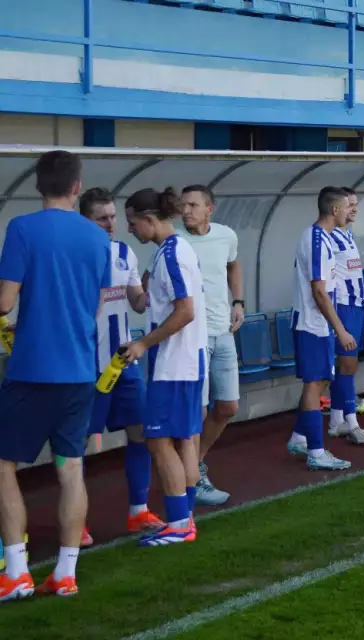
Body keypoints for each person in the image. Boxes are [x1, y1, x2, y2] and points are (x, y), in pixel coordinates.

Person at [0, 150, 110, 601]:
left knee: (4, 465)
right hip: (80, 370)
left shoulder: (23, 229)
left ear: (37, 184)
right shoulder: (97, 237)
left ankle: (17, 570)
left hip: (31, 371)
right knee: (70, 469)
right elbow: (97, 302)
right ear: (77, 186)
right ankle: (65, 572)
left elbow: (4, 302)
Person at [122, 188, 207, 547]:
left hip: (175, 363)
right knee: (182, 439)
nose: (130, 230)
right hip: (186, 360)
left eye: (132, 223)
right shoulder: (170, 252)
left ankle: (178, 522)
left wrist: (143, 343)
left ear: (150, 219)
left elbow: (184, 311)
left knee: (157, 440)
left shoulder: (172, 253)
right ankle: (184, 518)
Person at [79, 188, 165, 545]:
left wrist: (152, 281)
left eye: (114, 217)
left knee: (140, 433)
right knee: (77, 446)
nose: (111, 224)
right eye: (103, 218)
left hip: (123, 361)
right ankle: (77, 522)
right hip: (86, 367)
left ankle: (138, 511)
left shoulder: (124, 252)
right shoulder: (77, 256)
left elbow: (139, 303)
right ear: (85, 221)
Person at [175, 185, 243, 506]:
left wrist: (239, 301)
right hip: (193, 338)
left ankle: (192, 464)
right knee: (197, 411)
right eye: (183, 205)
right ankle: (189, 479)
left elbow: (234, 264)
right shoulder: (175, 240)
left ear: (209, 209)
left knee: (228, 407)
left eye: (192, 205)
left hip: (223, 332)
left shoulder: (226, 235)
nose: (186, 210)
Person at [285, 188, 354, 471]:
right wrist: (341, 329)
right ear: (334, 210)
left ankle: (300, 437)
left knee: (320, 380)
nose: (351, 211)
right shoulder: (316, 240)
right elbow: (319, 291)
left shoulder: (323, 239)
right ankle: (316, 450)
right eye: (348, 207)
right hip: (312, 324)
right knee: (314, 383)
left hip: (319, 324)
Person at [327, 187, 364, 445]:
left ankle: (335, 421)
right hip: (342, 307)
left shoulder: (348, 234)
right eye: (349, 205)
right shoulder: (329, 237)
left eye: (356, 204)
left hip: (357, 307)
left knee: (348, 366)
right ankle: (352, 423)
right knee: (346, 365)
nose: (353, 209)